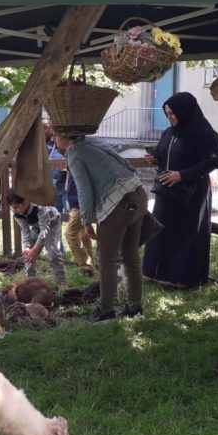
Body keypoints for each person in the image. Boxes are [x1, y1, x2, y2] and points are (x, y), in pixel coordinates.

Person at [53, 132, 148, 321]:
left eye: (55, 136)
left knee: (106, 260)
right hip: (137, 193)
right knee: (131, 257)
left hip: (117, 204)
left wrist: (87, 222)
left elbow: (84, 190)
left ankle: (106, 311)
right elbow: (122, 161)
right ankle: (135, 307)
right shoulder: (89, 140)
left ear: (64, 136)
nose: (54, 141)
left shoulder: (74, 152)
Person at [143, 91, 218, 289]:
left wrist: (182, 175)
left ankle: (182, 279)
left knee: (185, 234)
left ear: (185, 111)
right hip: (167, 190)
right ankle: (157, 273)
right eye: (167, 114)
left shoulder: (204, 133)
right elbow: (167, 155)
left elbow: (212, 160)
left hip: (191, 192)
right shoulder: (169, 133)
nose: (170, 118)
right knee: (161, 231)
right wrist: (156, 159)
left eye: (173, 113)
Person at [6, 189, 66, 286]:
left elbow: (45, 229)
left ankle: (61, 281)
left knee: (53, 252)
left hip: (52, 224)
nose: (15, 210)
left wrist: (35, 250)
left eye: (16, 207)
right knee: (28, 254)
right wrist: (27, 247)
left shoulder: (40, 207)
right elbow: (25, 231)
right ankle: (30, 281)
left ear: (26, 202)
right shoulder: (18, 215)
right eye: (13, 208)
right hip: (37, 226)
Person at [63, 171, 96, 274]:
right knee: (83, 235)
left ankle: (86, 265)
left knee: (70, 234)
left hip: (79, 205)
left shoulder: (77, 162)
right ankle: (91, 265)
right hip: (78, 203)